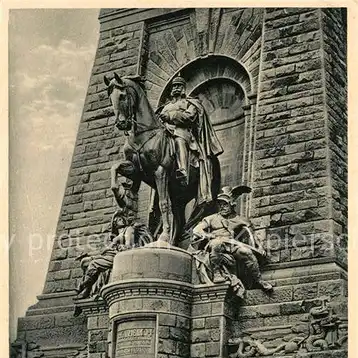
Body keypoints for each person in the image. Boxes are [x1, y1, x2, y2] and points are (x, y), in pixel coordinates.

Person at [75, 177, 152, 301]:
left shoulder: (129, 230)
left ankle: (83, 287)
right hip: (109, 254)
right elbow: (105, 250)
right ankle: (87, 289)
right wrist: (88, 253)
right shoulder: (115, 236)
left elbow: (129, 246)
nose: (118, 220)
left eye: (120, 217)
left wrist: (120, 247)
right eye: (116, 219)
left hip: (117, 256)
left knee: (94, 264)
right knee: (85, 262)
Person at [191, 185, 273, 296]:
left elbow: (252, 235)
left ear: (232, 204)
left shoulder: (240, 220)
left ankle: (258, 280)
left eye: (225, 204)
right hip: (215, 243)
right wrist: (208, 235)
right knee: (217, 244)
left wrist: (260, 247)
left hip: (231, 245)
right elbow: (197, 229)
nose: (222, 207)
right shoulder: (211, 218)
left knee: (246, 252)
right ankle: (216, 273)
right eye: (220, 205)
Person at [157, 74, 222, 205]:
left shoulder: (190, 103)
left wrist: (170, 116)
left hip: (184, 132)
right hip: (166, 132)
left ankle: (183, 170)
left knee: (179, 139)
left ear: (183, 89)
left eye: (178, 86)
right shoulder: (165, 106)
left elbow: (189, 117)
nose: (175, 88)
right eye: (174, 86)